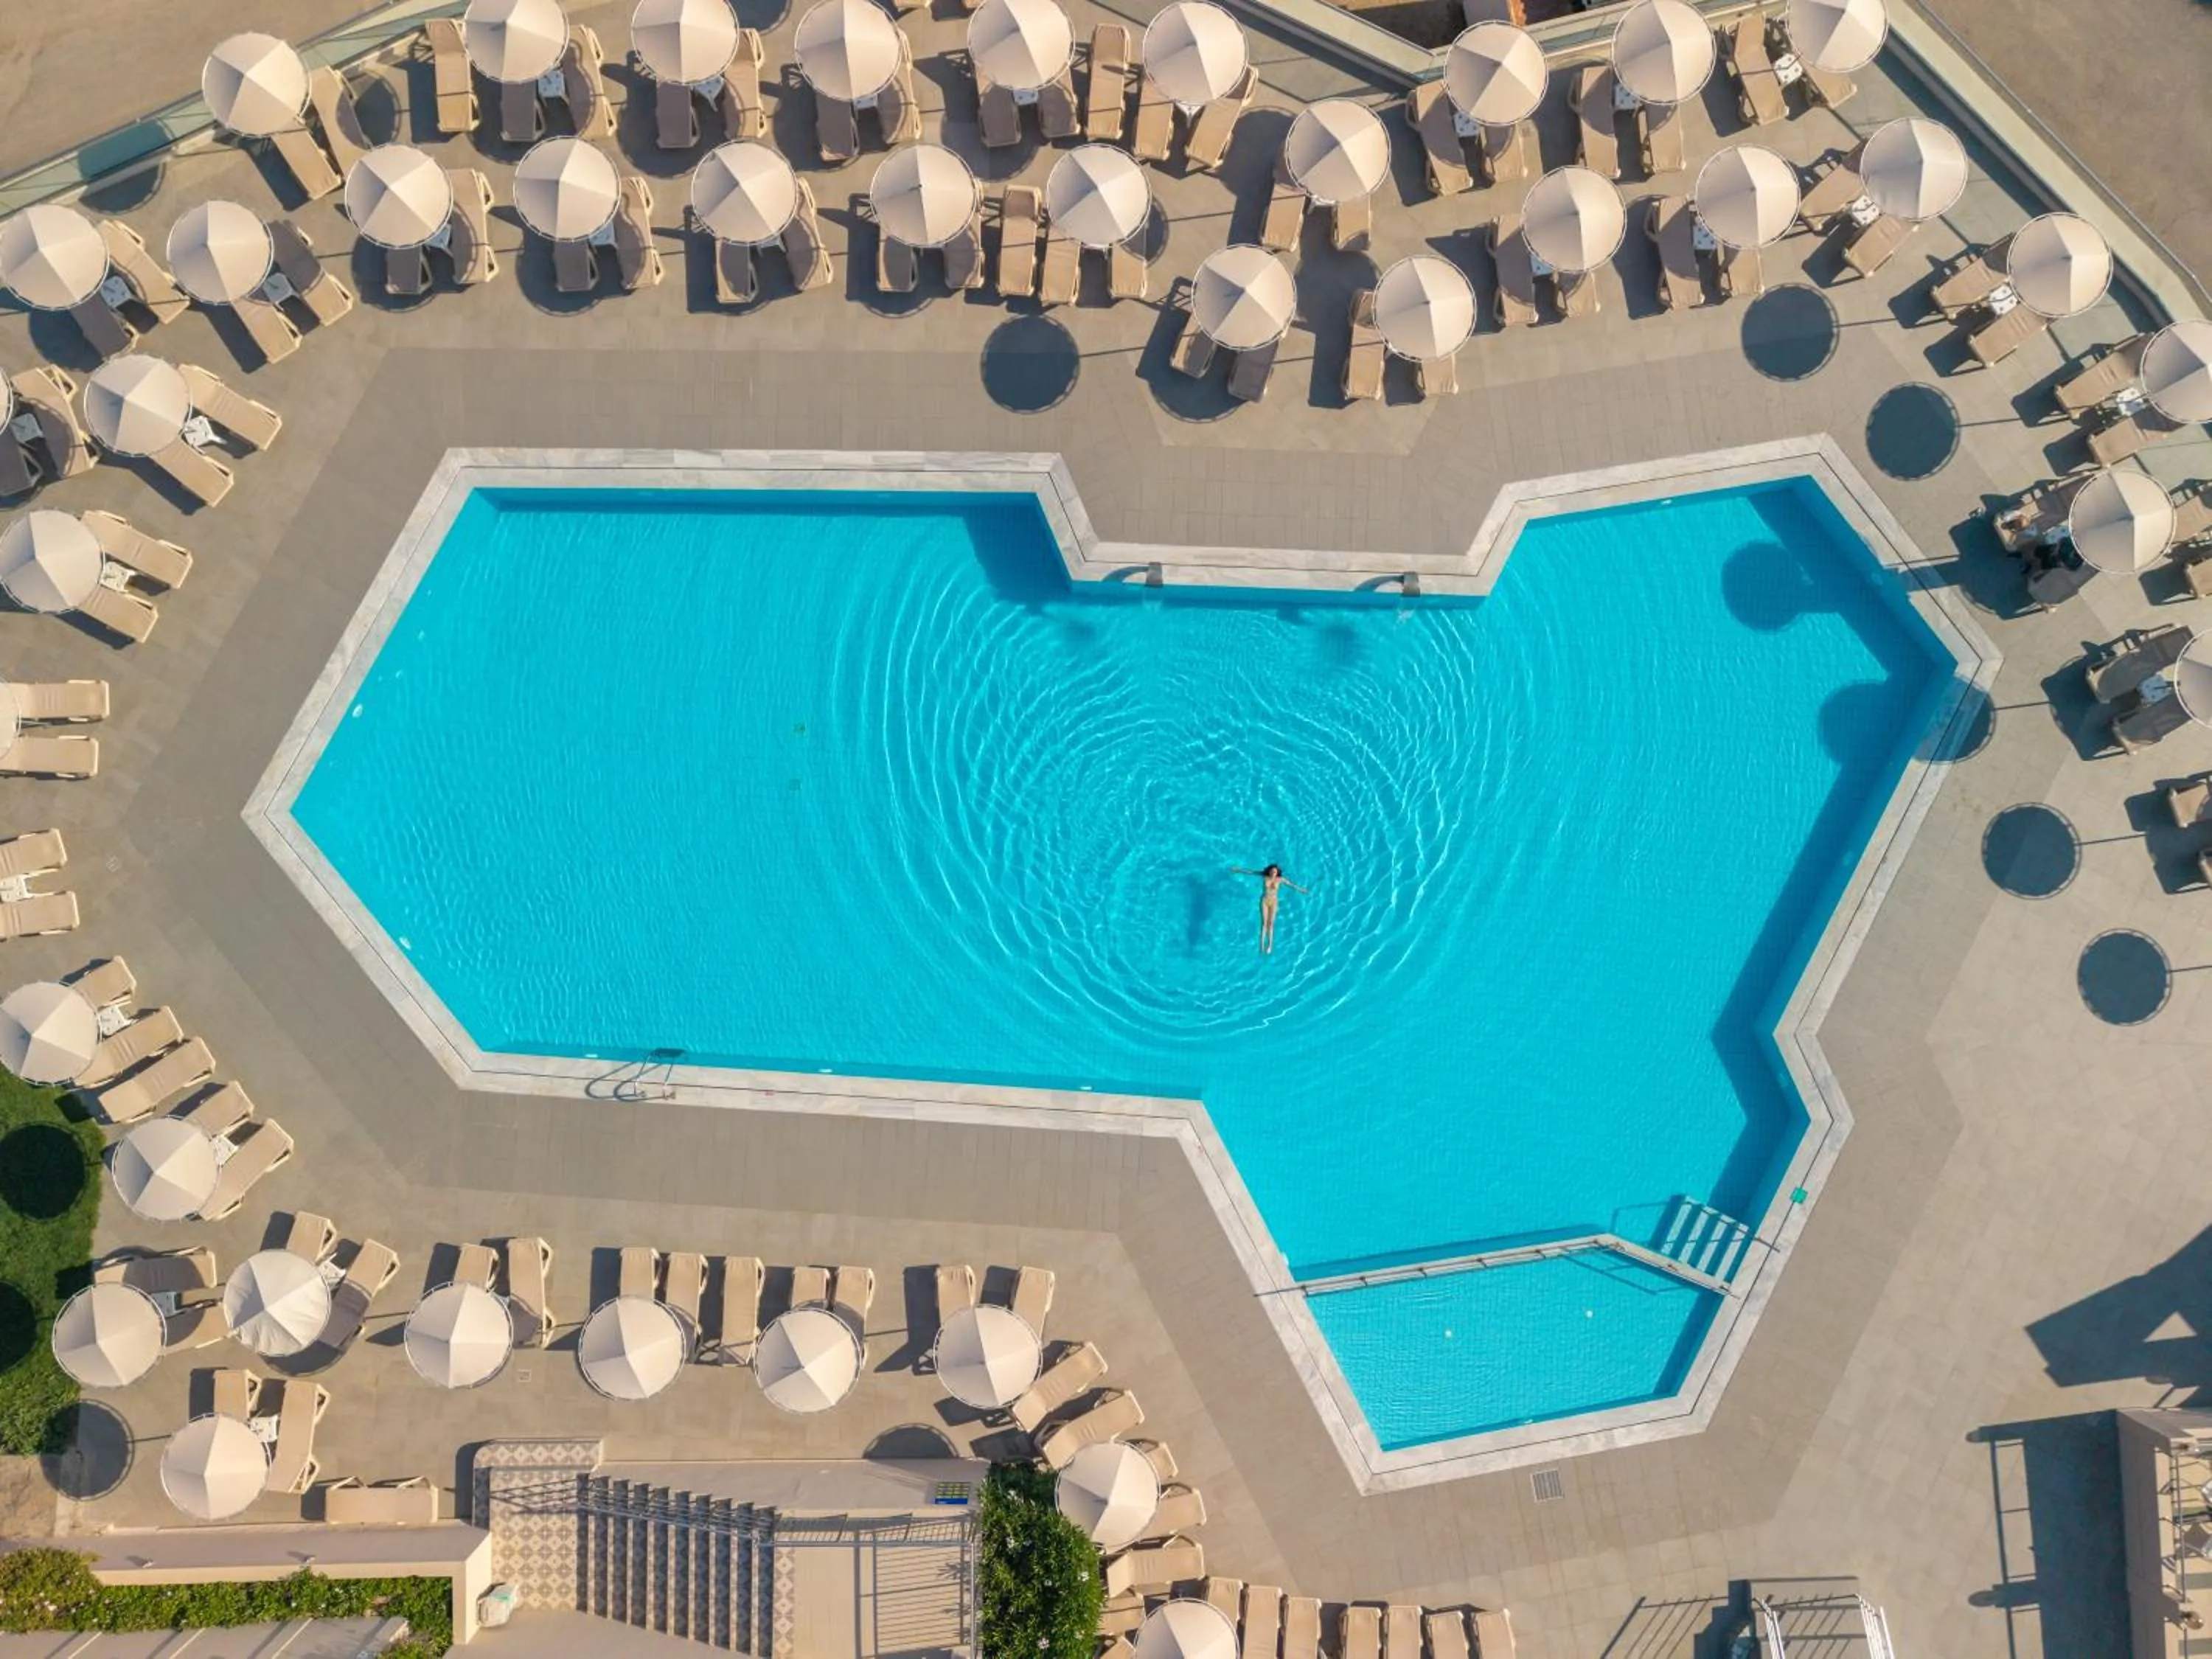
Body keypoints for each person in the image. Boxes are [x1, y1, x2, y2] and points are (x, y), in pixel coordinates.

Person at [1232, 863, 1307, 954]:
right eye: (1271, 871)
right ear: (1269, 871)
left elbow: (1291, 885)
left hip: (1274, 902)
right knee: (1264, 923)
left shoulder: (1280, 880)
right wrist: (1238, 870)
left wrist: (1301, 889)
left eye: (1274, 871)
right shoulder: (1265, 876)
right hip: (1265, 901)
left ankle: (1270, 946)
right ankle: (1262, 945)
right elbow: (1251, 872)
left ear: (1277, 872)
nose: (1273, 873)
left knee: (1271, 924)